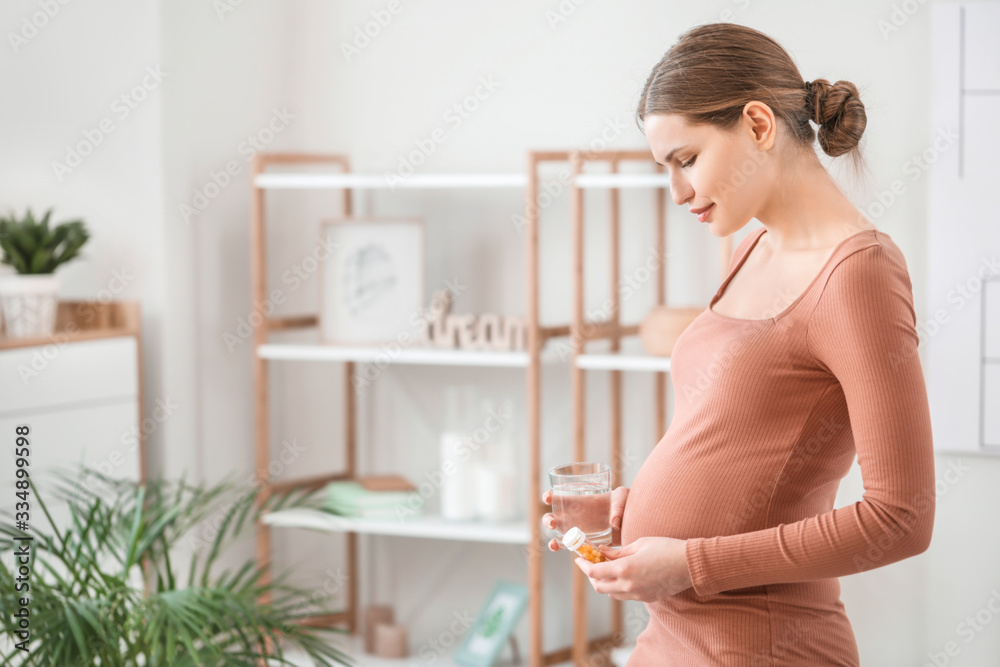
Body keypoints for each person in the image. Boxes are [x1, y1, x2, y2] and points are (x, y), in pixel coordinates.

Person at [541, 22, 935, 666]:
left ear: (757, 125)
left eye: (687, 160)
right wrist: (635, 511)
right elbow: (733, 436)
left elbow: (901, 518)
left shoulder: (859, 273)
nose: (677, 193)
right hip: (669, 640)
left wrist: (690, 560)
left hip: (762, 647)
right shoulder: (751, 244)